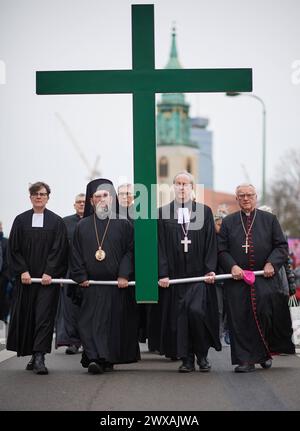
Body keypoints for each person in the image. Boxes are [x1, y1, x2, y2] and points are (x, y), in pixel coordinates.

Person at [218, 184, 295, 373]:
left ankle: (266, 352)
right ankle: (245, 360)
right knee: (240, 318)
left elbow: (281, 246)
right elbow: (221, 249)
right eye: (242, 195)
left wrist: (272, 263)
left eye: (249, 195)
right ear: (236, 199)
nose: (246, 198)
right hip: (237, 279)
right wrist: (232, 266)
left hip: (264, 277)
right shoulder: (228, 222)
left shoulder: (269, 220)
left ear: (256, 197)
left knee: (265, 313)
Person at [70, 178, 140, 374]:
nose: (102, 200)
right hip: (90, 285)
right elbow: (74, 253)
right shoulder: (82, 226)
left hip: (115, 285)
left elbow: (130, 251)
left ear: (112, 199)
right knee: (88, 323)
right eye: (97, 196)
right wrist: (81, 275)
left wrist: (124, 274)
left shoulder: (123, 224)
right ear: (92, 201)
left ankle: (105, 358)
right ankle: (95, 357)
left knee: (110, 324)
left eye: (105, 196)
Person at [158, 171, 221, 372]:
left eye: (186, 183)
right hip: (175, 277)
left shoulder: (204, 212)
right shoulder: (163, 213)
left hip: (198, 276)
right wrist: (163, 273)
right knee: (180, 318)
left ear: (192, 187)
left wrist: (210, 269)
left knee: (197, 313)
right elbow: (159, 246)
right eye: (178, 183)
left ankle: (202, 355)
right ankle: (186, 358)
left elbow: (212, 243)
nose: (182, 187)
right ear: (173, 187)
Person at [6, 182, 68, 374]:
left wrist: (50, 272)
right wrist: (22, 270)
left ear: (48, 197)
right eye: (35, 194)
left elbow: (59, 250)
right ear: (30, 197)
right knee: (28, 317)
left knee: (44, 318)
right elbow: (13, 249)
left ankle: (40, 356)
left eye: (42, 194)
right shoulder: (20, 220)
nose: (39, 197)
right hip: (26, 281)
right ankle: (33, 354)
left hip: (47, 281)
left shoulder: (57, 222)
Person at [55, 193, 85, 355]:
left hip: (90, 272)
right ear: (74, 205)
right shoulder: (65, 223)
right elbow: (60, 249)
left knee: (88, 308)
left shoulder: (97, 221)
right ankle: (73, 342)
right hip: (69, 272)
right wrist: (59, 274)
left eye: (84, 202)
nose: (81, 204)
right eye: (78, 202)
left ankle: (88, 341)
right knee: (70, 309)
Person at [214, 210, 230, 346]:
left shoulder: (228, 238)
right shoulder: (211, 239)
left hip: (229, 278)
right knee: (218, 309)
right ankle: (218, 333)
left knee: (229, 307)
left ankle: (227, 332)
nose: (220, 227)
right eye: (218, 224)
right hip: (217, 278)